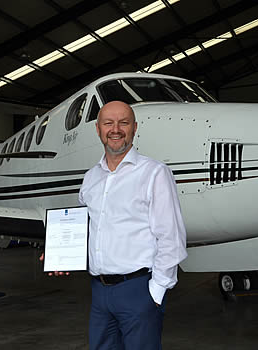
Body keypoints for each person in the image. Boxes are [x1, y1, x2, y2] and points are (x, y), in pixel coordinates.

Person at [44, 101, 187, 349]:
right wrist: (60, 254)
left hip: (138, 290)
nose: (116, 129)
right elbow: (87, 228)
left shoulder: (154, 173)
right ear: (98, 130)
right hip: (99, 293)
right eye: (108, 123)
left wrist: (156, 292)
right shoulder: (91, 178)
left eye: (124, 122)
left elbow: (171, 238)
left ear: (134, 128)